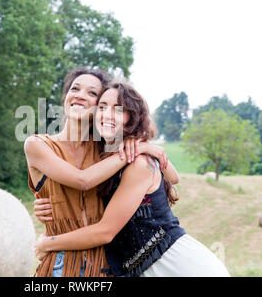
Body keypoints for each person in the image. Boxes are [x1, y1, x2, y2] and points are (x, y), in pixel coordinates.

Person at [34, 80, 230, 277]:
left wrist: (48, 243)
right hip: (145, 269)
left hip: (179, 267)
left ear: (131, 118)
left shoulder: (138, 164)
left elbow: (105, 231)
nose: (107, 114)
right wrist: (47, 204)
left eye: (118, 110)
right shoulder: (106, 159)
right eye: (102, 107)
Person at [24, 68, 173, 277]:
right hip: (61, 263)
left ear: (100, 107)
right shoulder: (38, 145)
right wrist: (139, 149)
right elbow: (81, 181)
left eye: (92, 93)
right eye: (75, 88)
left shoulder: (106, 149)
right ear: (65, 97)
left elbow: (173, 177)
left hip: (109, 266)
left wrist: (145, 146)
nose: (80, 95)